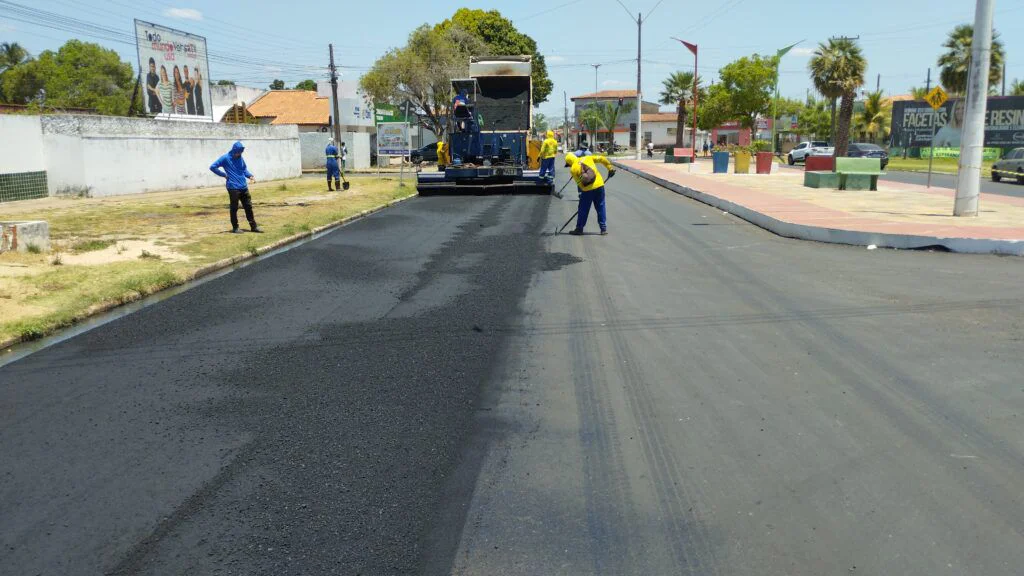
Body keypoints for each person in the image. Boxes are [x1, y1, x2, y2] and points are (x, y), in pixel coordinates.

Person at [210, 141, 262, 233]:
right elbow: (213, 167)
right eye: (238, 152)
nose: (239, 154)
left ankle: (253, 227)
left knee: (248, 207)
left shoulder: (240, 158)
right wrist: (223, 174)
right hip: (233, 187)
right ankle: (235, 227)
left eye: (241, 152)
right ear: (234, 150)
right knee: (234, 208)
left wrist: (250, 176)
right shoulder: (225, 158)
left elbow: (244, 169)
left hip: (243, 186)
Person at [564, 152, 615, 236]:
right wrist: (610, 169)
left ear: (569, 162)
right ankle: (603, 229)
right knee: (600, 206)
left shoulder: (573, 169)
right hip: (599, 185)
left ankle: (579, 229)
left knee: (583, 209)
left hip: (587, 190)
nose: (569, 166)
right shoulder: (587, 158)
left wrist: (584, 193)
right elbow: (602, 158)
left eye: (568, 164)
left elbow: (579, 184)